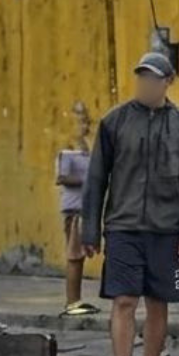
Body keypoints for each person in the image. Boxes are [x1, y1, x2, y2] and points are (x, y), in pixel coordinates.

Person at [81, 52, 179, 356]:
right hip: (123, 226)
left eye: (154, 79)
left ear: (168, 82)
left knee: (159, 301)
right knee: (123, 300)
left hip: (168, 230)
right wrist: (90, 229)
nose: (146, 85)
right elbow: (96, 178)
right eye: (142, 78)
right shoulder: (115, 122)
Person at [57, 101, 98, 317]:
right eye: (80, 119)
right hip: (73, 209)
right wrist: (89, 180)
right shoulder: (68, 150)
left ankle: (77, 299)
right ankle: (72, 301)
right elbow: (61, 177)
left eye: (86, 119)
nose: (85, 124)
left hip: (85, 208)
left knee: (80, 254)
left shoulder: (85, 149)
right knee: (74, 255)